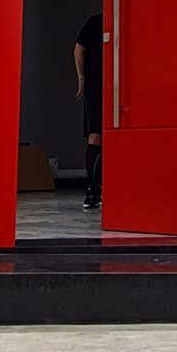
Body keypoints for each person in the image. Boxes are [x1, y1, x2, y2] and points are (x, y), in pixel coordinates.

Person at [73, 12, 103, 209]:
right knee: (96, 136)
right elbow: (78, 50)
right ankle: (93, 189)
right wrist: (82, 79)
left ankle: (94, 190)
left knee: (96, 136)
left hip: (104, 85)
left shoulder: (95, 22)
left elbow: (78, 50)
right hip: (97, 85)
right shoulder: (96, 22)